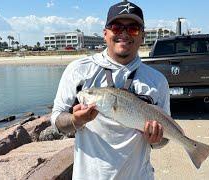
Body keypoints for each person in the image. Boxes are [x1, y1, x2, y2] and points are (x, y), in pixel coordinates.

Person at [51, 1, 171, 179]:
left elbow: (163, 140)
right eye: (116, 27)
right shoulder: (78, 70)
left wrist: (157, 138)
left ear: (143, 36)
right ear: (105, 33)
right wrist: (76, 120)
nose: (123, 33)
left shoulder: (157, 81)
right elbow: (56, 120)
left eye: (133, 28)